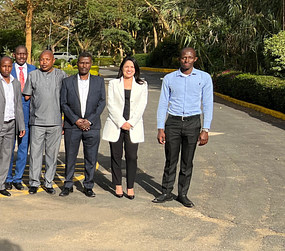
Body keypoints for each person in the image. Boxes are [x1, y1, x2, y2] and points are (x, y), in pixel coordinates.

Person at [153, 47, 213, 208]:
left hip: (193, 123)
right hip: (173, 122)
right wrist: (160, 128)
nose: (186, 60)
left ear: (195, 59)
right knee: (170, 160)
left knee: (187, 161)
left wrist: (205, 129)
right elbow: (163, 104)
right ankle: (166, 192)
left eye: (190, 58)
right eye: (184, 58)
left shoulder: (204, 78)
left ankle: (183, 194)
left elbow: (207, 104)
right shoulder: (169, 78)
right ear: (179, 59)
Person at [59, 52, 106, 197]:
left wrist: (89, 120)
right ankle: (68, 184)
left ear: (90, 64)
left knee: (91, 157)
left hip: (92, 126)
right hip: (72, 125)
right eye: (81, 62)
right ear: (77, 64)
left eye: (87, 63)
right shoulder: (68, 82)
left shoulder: (99, 82)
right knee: (70, 156)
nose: (84, 65)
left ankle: (88, 185)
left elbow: (102, 102)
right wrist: (76, 120)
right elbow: (64, 103)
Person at [102, 56, 148, 199]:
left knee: (132, 157)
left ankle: (130, 186)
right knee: (116, 156)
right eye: (127, 66)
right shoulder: (114, 83)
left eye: (132, 67)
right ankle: (118, 185)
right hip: (116, 124)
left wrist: (130, 122)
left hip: (133, 126)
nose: (129, 69)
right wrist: (121, 122)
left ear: (136, 70)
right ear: (122, 68)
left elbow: (142, 105)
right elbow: (111, 104)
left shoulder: (142, 84)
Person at [22, 50, 66, 195]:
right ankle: (34, 182)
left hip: (55, 122)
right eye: (41, 59)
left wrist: (64, 121)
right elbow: (27, 96)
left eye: (47, 59)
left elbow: (66, 99)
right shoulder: (33, 75)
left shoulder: (61, 75)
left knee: (52, 155)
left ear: (53, 60)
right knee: (35, 154)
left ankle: (48, 182)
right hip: (37, 122)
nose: (44, 62)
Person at [0, 56, 26, 201]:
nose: (6, 69)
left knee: (7, 156)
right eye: (4, 66)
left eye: (9, 66)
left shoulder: (15, 83)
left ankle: (0, 185)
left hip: (11, 125)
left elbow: (18, 106)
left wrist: (21, 125)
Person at [5, 45, 36, 190]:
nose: (21, 56)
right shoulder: (8, 69)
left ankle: (18, 178)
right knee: (8, 149)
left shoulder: (34, 70)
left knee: (23, 148)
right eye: (19, 54)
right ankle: (7, 177)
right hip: (11, 114)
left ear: (27, 55)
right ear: (14, 55)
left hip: (28, 113)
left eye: (24, 54)